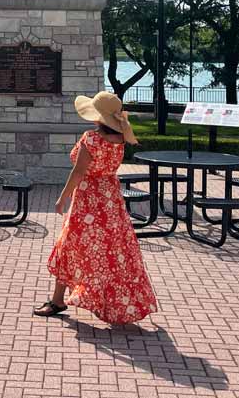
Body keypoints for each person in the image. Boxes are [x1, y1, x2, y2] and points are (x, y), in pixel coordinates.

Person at [33, 91, 158, 324]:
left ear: (99, 117)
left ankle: (58, 300)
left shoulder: (91, 139)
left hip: (89, 201)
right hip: (111, 201)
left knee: (69, 246)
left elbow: (78, 172)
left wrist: (62, 197)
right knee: (114, 253)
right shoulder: (121, 138)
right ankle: (114, 304)